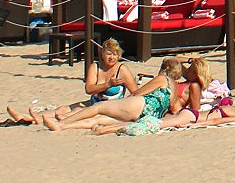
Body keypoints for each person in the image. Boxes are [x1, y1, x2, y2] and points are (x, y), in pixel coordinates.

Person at [4, 36, 135, 125]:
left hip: (109, 107)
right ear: (102, 54)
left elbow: (135, 92)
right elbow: (89, 89)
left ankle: (41, 120)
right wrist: (107, 85)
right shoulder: (95, 67)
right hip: (94, 102)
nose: (112, 57)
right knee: (62, 109)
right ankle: (27, 117)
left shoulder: (122, 70)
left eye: (115, 54)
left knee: (76, 111)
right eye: (109, 54)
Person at [46, 57, 181, 133]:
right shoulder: (175, 88)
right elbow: (175, 110)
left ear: (164, 69)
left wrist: (124, 102)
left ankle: (62, 122)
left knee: (99, 107)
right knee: (100, 119)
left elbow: (138, 93)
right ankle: (62, 127)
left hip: (141, 105)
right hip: (150, 115)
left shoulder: (163, 79)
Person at [156, 57, 208, 127]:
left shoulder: (194, 85)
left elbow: (195, 109)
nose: (187, 70)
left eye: (190, 69)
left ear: (196, 74)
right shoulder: (188, 80)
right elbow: (171, 61)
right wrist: (190, 60)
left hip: (170, 109)